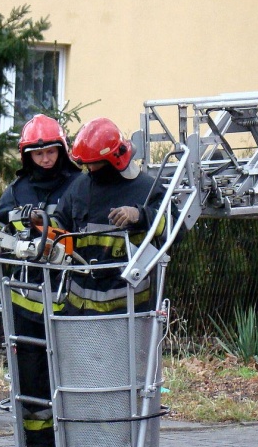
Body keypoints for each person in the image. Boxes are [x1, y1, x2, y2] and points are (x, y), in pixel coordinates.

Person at [0, 114, 82, 447]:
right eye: (38, 154)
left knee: (69, 371)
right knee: (31, 372)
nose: (45, 159)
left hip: (68, 294)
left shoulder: (78, 184)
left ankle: (74, 445)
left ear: (61, 151)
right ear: (27, 156)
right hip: (26, 298)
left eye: (51, 152)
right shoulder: (17, 190)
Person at [52, 117, 178, 315]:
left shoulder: (146, 188)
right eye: (85, 164)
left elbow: (176, 229)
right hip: (79, 313)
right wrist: (40, 224)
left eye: (93, 164)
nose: (89, 169)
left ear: (113, 159)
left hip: (128, 313)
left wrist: (140, 215)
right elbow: (61, 221)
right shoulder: (80, 187)